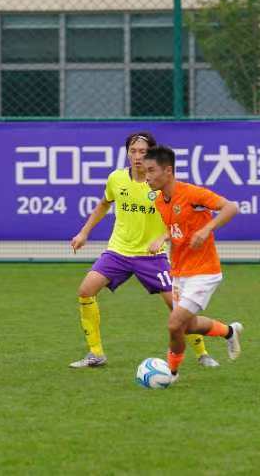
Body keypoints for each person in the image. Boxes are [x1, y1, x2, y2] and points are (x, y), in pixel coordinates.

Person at [69, 132, 220, 369]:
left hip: (153, 257)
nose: (137, 156)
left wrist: (163, 237)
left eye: (142, 152)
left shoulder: (161, 185)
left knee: (178, 307)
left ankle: (202, 353)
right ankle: (96, 353)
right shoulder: (116, 178)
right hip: (118, 252)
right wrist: (84, 232)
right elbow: (104, 204)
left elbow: (181, 219)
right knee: (85, 291)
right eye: (133, 151)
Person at [143, 146, 243, 384]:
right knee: (187, 326)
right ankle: (230, 332)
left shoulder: (192, 193)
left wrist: (207, 228)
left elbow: (231, 207)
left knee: (174, 323)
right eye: (145, 171)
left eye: (151, 170)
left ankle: (171, 374)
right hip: (179, 271)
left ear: (168, 171)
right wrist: (164, 236)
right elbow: (178, 226)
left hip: (204, 271)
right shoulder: (160, 200)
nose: (146, 176)